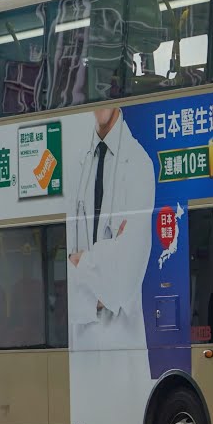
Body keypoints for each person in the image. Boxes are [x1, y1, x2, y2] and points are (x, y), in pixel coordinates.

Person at [66, 106, 155, 351]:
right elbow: (64, 277)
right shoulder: (75, 166)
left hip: (122, 344)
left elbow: (122, 280)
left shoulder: (139, 164)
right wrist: (104, 258)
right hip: (80, 352)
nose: (99, 99)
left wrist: (80, 262)